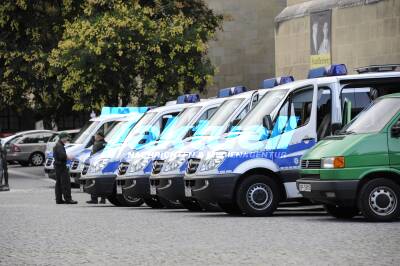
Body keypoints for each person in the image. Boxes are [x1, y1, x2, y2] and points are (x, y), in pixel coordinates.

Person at [54, 132, 77, 204]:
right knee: (65, 183)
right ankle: (68, 199)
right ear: (62, 138)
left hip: (58, 166)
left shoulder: (58, 145)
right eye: (66, 137)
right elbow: (62, 156)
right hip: (61, 166)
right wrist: (69, 157)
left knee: (59, 183)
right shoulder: (59, 146)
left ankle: (59, 199)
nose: (67, 139)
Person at [86, 131, 107, 204]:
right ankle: (102, 199)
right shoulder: (103, 143)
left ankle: (94, 199)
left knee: (94, 181)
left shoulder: (99, 144)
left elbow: (95, 154)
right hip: (99, 164)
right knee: (100, 181)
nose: (95, 137)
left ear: (99, 136)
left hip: (96, 164)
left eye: (96, 136)